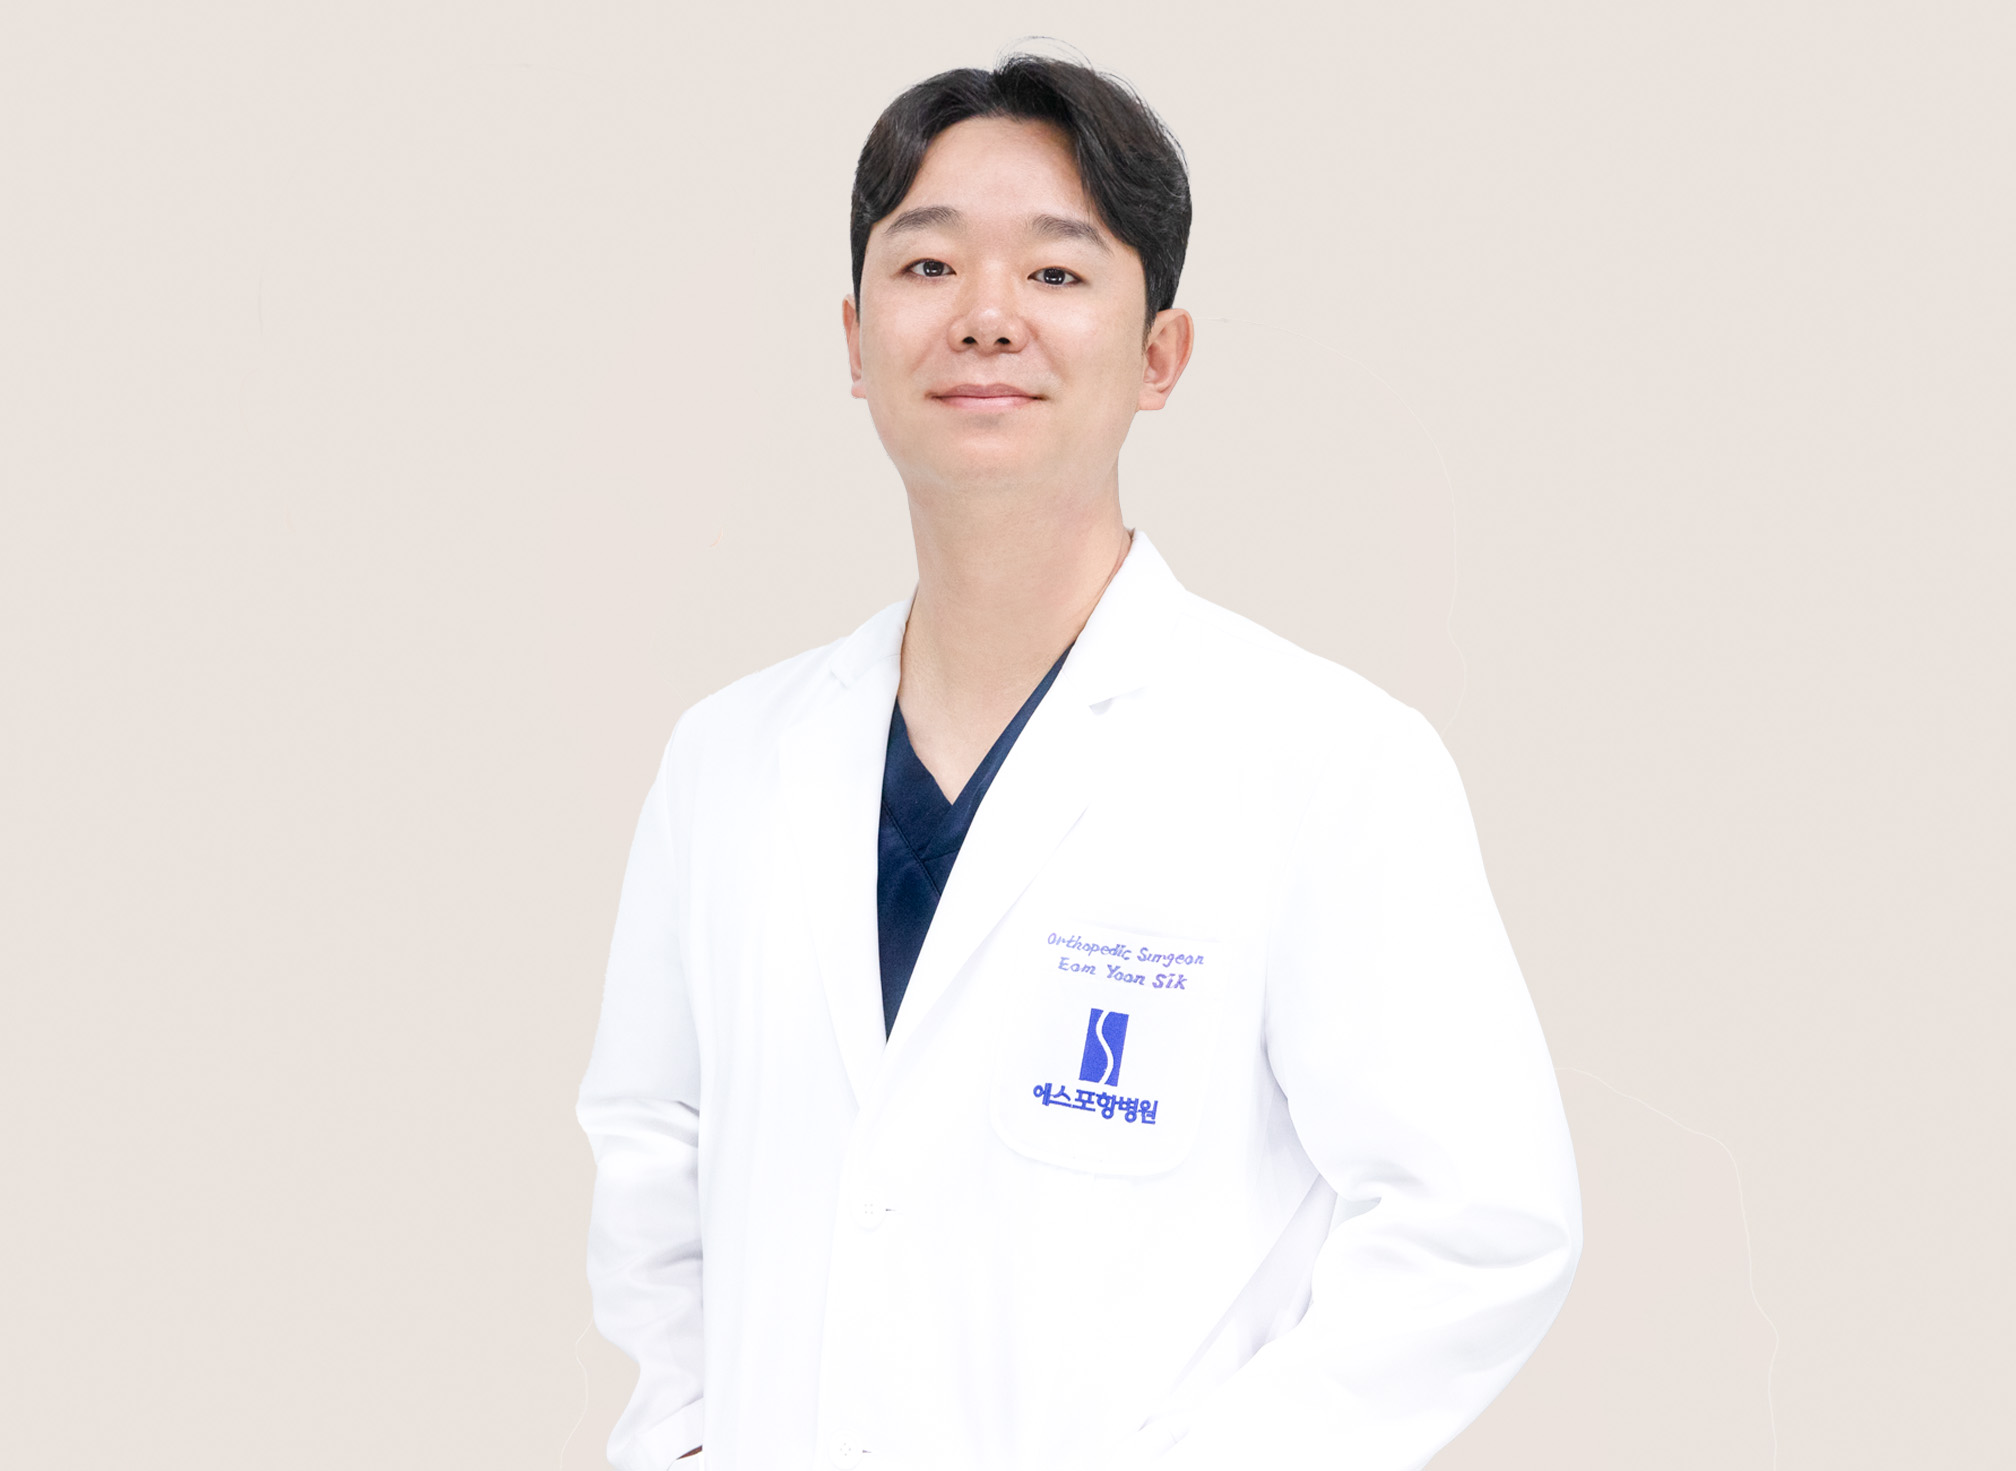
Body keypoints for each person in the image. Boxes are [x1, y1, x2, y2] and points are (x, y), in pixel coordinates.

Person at [577, 52, 1581, 1471]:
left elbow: (1480, 1228)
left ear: (1160, 355)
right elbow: (652, 1158)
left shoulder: (1325, 763)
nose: (986, 316)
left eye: (1056, 273)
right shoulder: (728, 762)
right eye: (927, 267)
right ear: (855, 342)